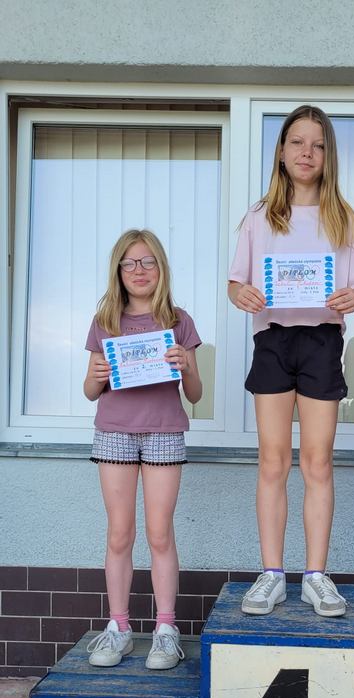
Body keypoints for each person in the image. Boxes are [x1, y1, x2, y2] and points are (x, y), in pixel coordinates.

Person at [228, 105, 354, 617]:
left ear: (328, 155)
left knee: (317, 461)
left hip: (322, 342)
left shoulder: (343, 217)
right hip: (273, 340)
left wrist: (353, 298)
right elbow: (236, 283)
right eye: (297, 142)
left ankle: (315, 575)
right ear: (282, 152)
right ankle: (271, 573)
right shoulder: (259, 216)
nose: (307, 152)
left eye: (318, 144)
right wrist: (242, 295)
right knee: (272, 460)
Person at [84, 229, 202, 669]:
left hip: (164, 432)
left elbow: (196, 394)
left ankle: (165, 629)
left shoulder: (178, 320)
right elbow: (90, 391)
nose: (139, 270)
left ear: (161, 268)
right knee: (119, 533)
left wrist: (187, 366)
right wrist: (96, 375)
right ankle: (118, 627)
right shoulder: (105, 320)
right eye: (130, 263)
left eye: (148, 261)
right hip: (114, 431)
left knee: (159, 533)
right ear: (118, 270)